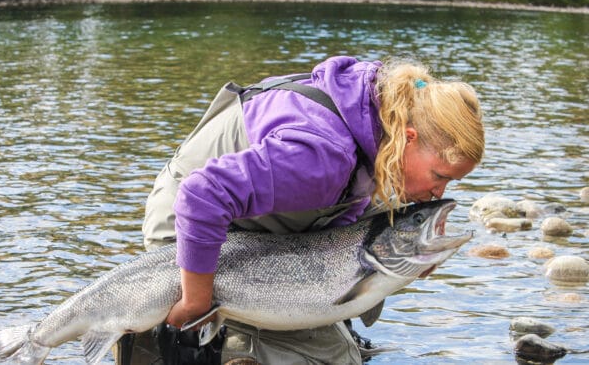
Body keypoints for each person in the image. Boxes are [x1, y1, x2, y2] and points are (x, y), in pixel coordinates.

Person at [115, 55, 484, 365]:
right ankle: (179, 341)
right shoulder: (324, 156)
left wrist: (404, 259)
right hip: (187, 228)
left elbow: (341, 215)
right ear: (409, 138)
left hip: (253, 227)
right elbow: (200, 196)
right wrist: (195, 301)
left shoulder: (381, 115)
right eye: (440, 175)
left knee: (341, 350)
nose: (439, 192)